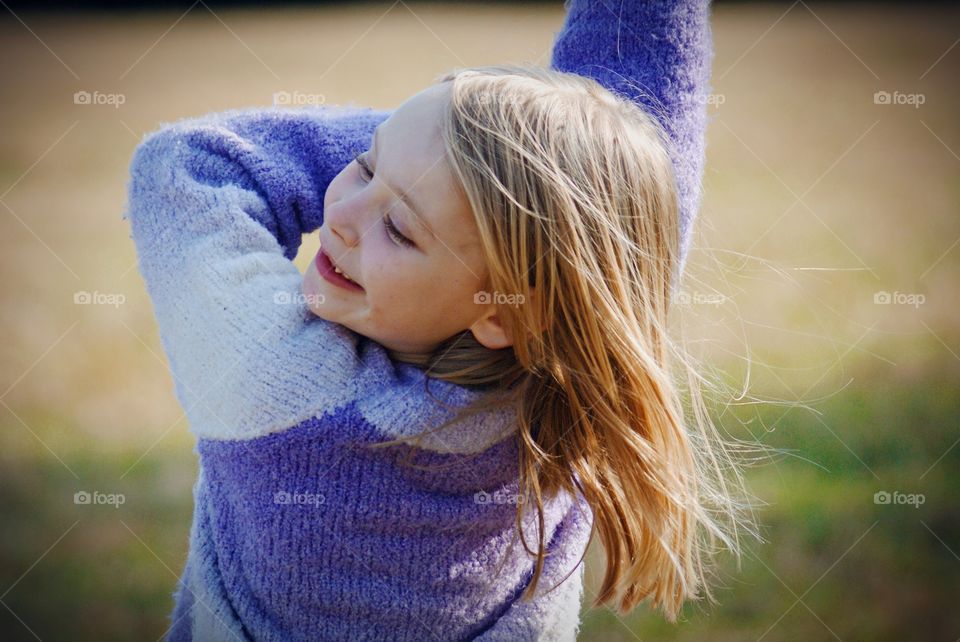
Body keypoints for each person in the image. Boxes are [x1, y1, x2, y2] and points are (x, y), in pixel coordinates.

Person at [124, 0, 749, 639]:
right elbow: (628, 167)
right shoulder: (572, 381)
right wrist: (469, 159)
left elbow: (185, 166)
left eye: (398, 229)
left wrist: (426, 138)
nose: (342, 215)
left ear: (504, 312)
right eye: (365, 165)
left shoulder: (278, 386)